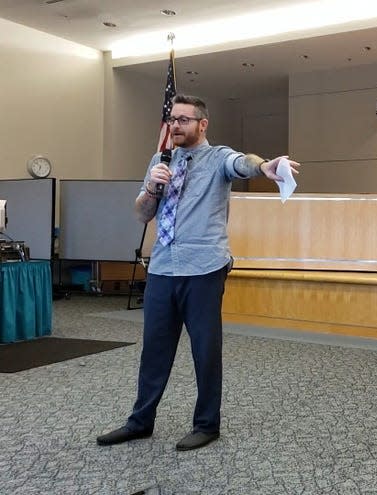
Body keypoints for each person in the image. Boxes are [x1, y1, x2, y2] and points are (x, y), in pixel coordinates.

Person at [97, 94, 300, 451]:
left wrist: (266, 166)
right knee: (154, 350)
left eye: (183, 120)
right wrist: (150, 188)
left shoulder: (218, 157)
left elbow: (244, 163)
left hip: (204, 268)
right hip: (162, 267)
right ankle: (140, 421)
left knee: (205, 349)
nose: (175, 125)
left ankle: (207, 424)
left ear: (202, 125)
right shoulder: (160, 161)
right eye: (172, 119)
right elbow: (143, 214)